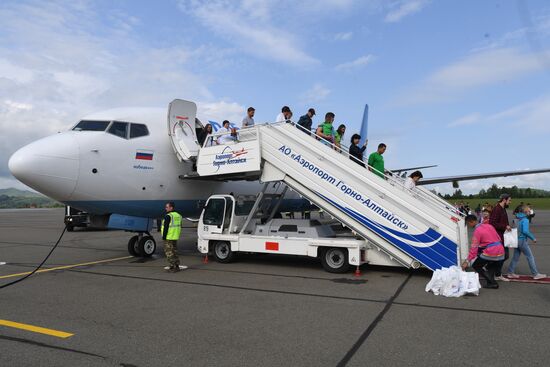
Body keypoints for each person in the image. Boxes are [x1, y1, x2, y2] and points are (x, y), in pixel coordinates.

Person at [462, 214, 505, 289]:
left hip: (492, 251)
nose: (468, 226)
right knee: (491, 264)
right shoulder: (489, 226)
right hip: (501, 250)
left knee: (476, 265)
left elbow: (474, 248)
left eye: (468, 224)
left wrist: (467, 261)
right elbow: (497, 238)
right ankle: (490, 282)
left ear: (471, 222)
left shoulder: (477, 231)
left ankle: (492, 283)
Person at [507, 205, 546, 280]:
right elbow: (525, 231)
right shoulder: (525, 220)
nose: (529, 212)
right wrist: (533, 238)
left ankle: (510, 272)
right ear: (525, 212)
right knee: (530, 257)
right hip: (522, 241)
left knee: (515, 257)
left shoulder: (517, 218)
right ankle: (535, 274)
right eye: (528, 211)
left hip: (516, 240)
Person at [489, 193, 512, 281]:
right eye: (509, 200)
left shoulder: (503, 209)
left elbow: (503, 222)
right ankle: (495, 272)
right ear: (504, 200)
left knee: (504, 256)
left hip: (504, 236)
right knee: (503, 256)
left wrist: (507, 226)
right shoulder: (497, 209)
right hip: (498, 238)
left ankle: (495, 272)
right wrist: (505, 226)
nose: (510, 202)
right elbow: (492, 223)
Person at [161, 202, 187, 272]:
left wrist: (164, 237)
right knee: (174, 251)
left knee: (169, 252)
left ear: (171, 208)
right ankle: (175, 265)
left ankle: (174, 266)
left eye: (167, 207)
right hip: (175, 236)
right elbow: (179, 226)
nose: (165, 208)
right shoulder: (179, 215)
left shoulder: (168, 216)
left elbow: (166, 227)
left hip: (168, 237)